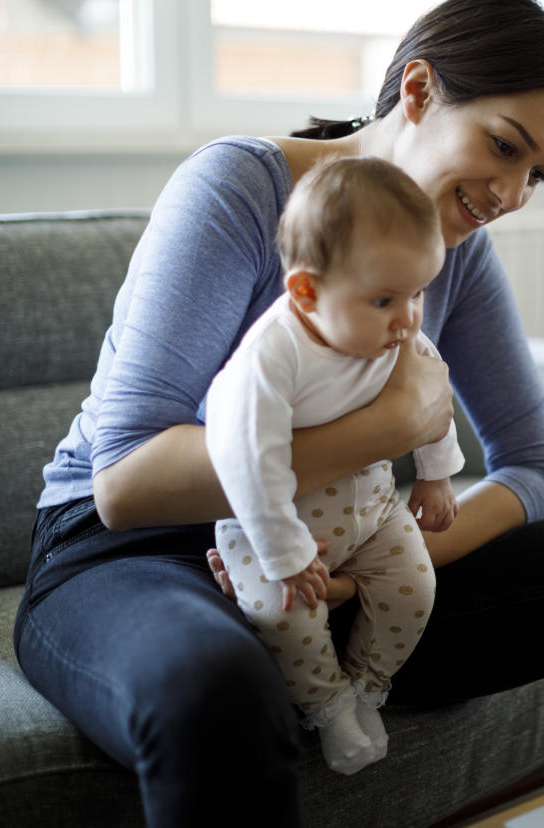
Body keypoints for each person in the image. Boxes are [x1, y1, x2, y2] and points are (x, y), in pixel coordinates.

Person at [13, 0, 544, 824]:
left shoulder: (459, 254)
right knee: (220, 686)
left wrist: (372, 572)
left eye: (536, 173)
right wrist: (387, 429)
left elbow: (539, 472)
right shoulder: (240, 190)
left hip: (331, 553)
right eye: (503, 146)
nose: (507, 193)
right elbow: (127, 483)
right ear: (420, 90)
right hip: (132, 558)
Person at [205, 156, 461, 775]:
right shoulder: (270, 360)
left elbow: (434, 395)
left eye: (419, 293)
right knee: (280, 612)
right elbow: (245, 464)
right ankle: (327, 705)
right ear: (306, 291)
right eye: (384, 300)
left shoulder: (396, 332)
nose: (408, 319)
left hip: (372, 510)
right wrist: (284, 551)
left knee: (417, 586)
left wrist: (435, 471)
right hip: (277, 524)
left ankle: (368, 684)